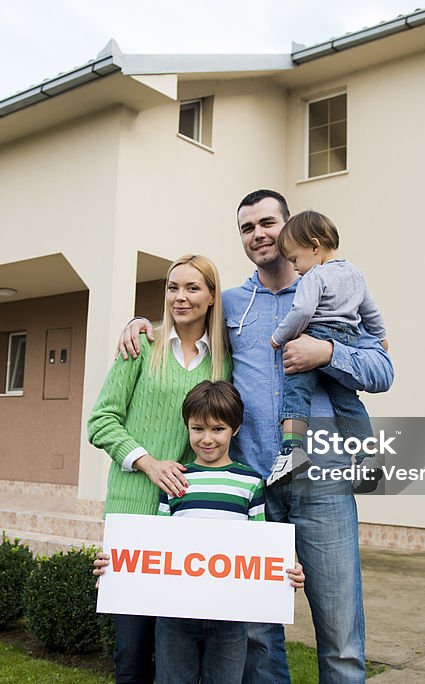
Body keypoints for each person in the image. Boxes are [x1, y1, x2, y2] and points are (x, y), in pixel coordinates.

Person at [118, 190, 394, 683]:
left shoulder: (334, 290)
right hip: (254, 487)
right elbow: (183, 324)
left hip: (321, 482)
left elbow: (382, 370)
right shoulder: (231, 304)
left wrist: (327, 353)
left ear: (291, 231)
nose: (258, 234)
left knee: (340, 636)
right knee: (256, 636)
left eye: (268, 223)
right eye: (247, 227)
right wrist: (141, 325)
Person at [89, 254, 231, 684]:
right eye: (172, 288)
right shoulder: (141, 347)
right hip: (133, 513)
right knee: (131, 655)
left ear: (210, 297)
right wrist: (147, 462)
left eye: (191, 289)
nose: (180, 298)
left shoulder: (224, 362)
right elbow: (101, 421)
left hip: (191, 517)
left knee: (181, 654)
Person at [153, 380, 303, 684]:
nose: (207, 439)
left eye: (217, 429)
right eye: (198, 429)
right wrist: (117, 567)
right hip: (176, 614)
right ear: (187, 427)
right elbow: (155, 544)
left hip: (231, 618)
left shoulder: (250, 482)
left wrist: (287, 571)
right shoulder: (174, 479)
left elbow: (260, 545)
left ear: (234, 429)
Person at [267, 209, 388, 488]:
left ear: (314, 245)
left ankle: (292, 452)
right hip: (346, 341)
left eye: (295, 259)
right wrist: (381, 337)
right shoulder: (355, 273)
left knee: (296, 393)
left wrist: (278, 337)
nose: (295, 267)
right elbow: (371, 312)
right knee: (348, 403)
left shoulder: (314, 276)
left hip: (314, 335)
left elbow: (302, 312)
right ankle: (367, 456)